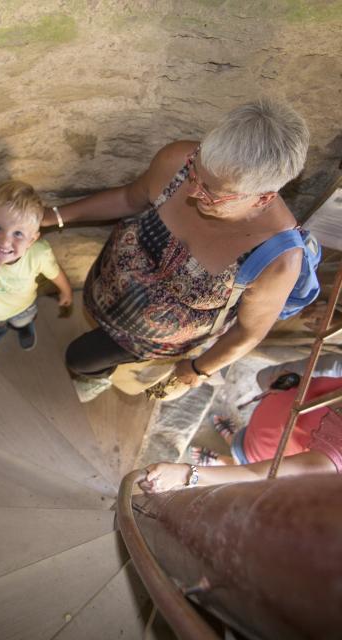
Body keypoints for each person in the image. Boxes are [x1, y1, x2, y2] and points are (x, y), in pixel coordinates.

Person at [43, 98, 310, 401]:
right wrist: (54, 216)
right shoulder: (178, 160)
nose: (193, 190)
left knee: (80, 359)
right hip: (104, 288)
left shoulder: (277, 261)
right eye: (195, 171)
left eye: (212, 194)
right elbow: (131, 199)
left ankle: (98, 378)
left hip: (148, 343)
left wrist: (198, 369)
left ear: (262, 199)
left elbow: (248, 333)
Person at [140, 356, 342, 493]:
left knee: (246, 456)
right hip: (276, 415)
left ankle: (225, 460)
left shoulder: (334, 459)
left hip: (269, 448)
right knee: (244, 437)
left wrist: (186, 474)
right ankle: (232, 439)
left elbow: (256, 474)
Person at [0, 180, 73, 350]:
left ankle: (23, 328)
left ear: (31, 240)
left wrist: (66, 291)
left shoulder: (39, 254)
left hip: (23, 307)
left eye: (18, 233)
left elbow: (55, 273)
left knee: (22, 320)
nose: (5, 241)